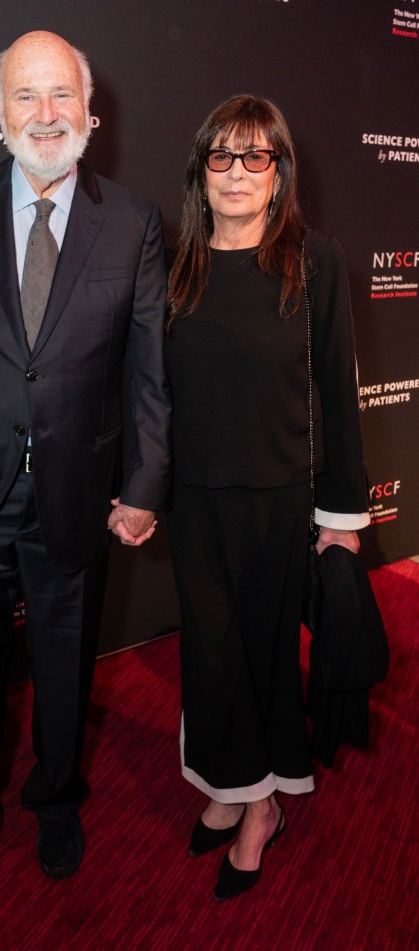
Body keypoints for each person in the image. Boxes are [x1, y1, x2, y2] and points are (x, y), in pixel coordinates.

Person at [0, 31, 170, 924]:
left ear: (90, 111)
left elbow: (150, 373)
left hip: (75, 499)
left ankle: (56, 802)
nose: (45, 115)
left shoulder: (133, 222)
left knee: (63, 672)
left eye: (61, 97)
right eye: (26, 97)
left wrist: (145, 482)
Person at [164, 94, 369, 902]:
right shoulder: (177, 265)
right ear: (201, 172)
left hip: (282, 502)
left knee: (264, 656)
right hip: (197, 504)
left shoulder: (315, 262)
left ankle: (262, 809)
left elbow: (339, 400)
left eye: (258, 157)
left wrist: (341, 523)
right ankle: (230, 780)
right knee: (210, 657)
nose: (239, 173)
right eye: (223, 156)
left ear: (281, 171)